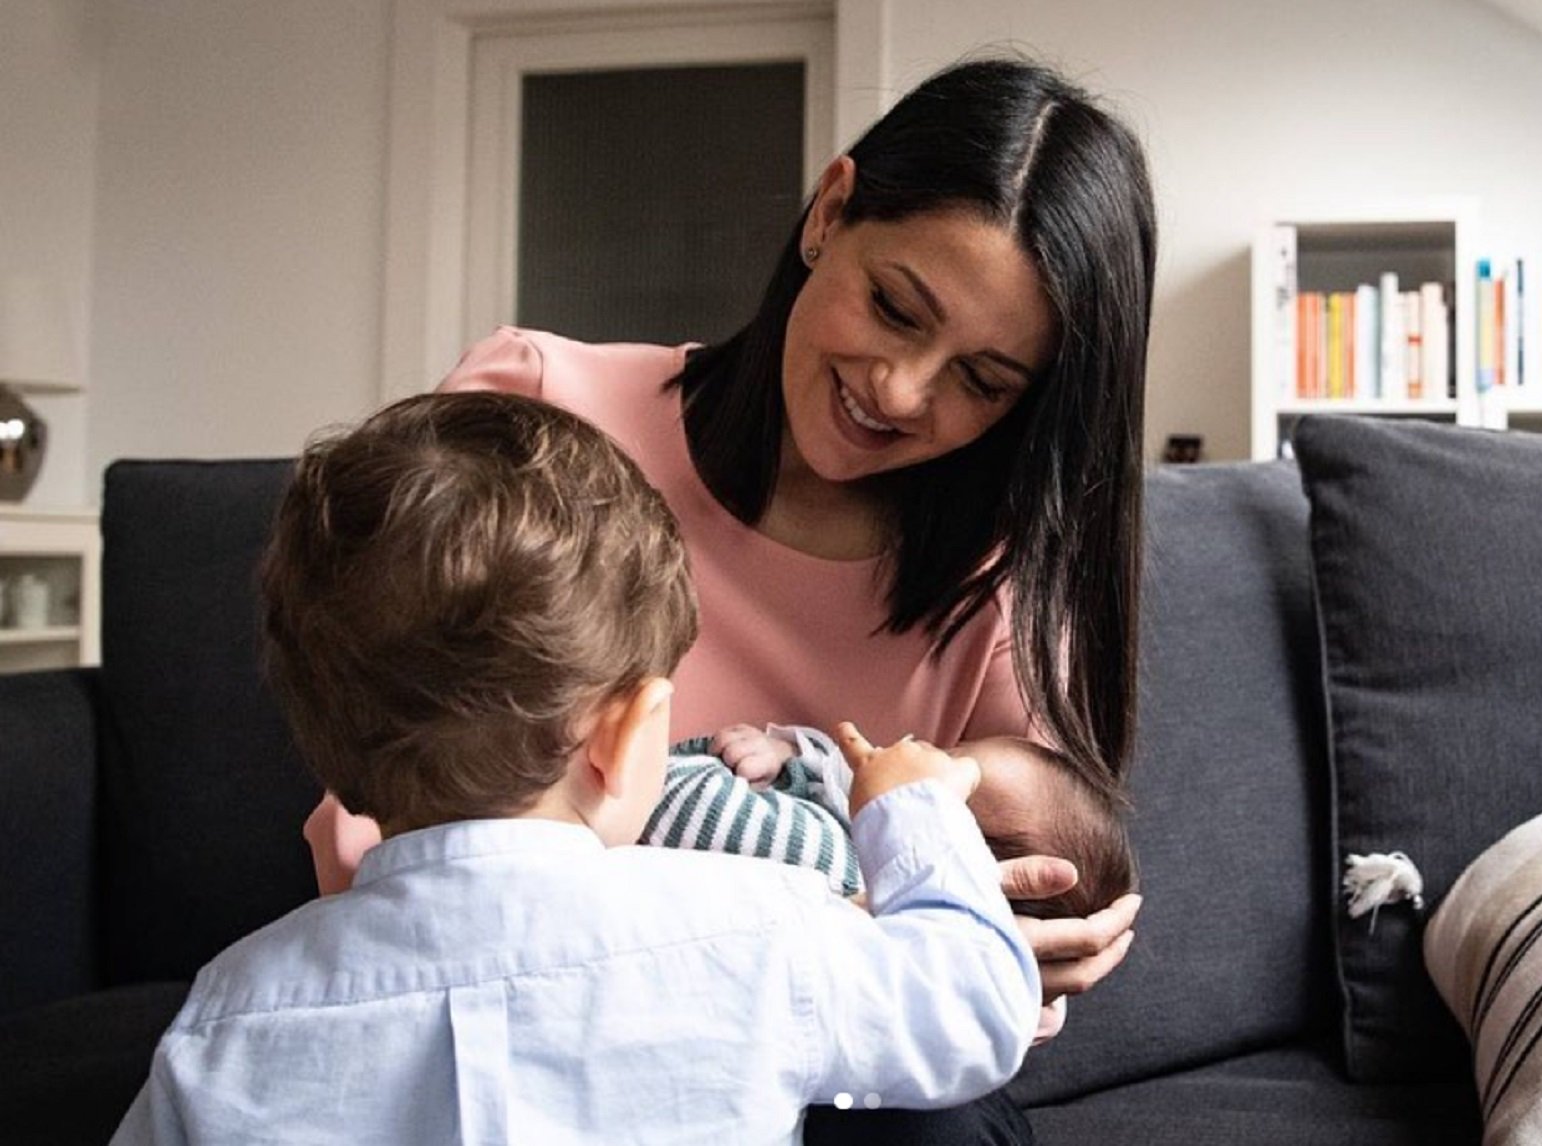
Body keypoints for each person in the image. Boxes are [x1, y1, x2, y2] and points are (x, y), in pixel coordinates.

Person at [304, 53, 1156, 1144]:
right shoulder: (543, 407)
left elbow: (966, 954)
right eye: (895, 308)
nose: (901, 392)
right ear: (829, 213)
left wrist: (1020, 952)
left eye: (981, 381)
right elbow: (381, 781)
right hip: (478, 986)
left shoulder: (991, 592)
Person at [111, 391, 1041, 1145]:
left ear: (328, 754)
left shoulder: (228, 1017)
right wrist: (911, 809)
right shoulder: (761, 927)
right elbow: (977, 1009)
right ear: (628, 735)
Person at [656, 723, 1136, 921]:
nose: (916, 749)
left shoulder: (832, 867)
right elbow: (832, 776)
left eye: (944, 771)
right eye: (950, 751)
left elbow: (674, 801)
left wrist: (715, 761)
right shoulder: (857, 819)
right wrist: (784, 754)